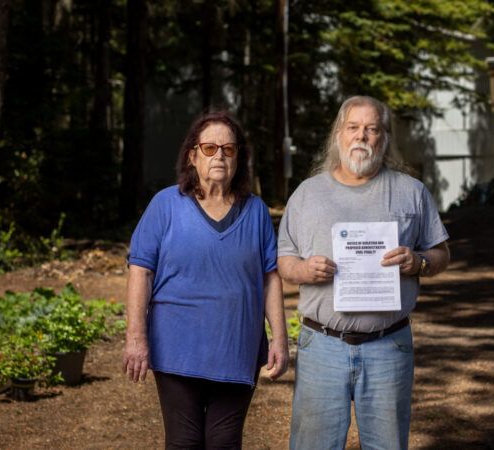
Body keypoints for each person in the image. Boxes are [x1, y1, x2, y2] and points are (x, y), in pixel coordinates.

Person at [278, 96, 450, 450]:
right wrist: (304, 270)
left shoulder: (411, 192)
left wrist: (418, 262)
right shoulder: (307, 194)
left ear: (384, 137)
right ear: (338, 135)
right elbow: (284, 260)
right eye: (353, 127)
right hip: (322, 345)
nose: (362, 136)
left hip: (389, 346)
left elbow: (441, 254)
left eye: (372, 129)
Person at [122, 110, 289, 449]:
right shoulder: (165, 205)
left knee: (224, 441)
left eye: (228, 149)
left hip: (236, 348)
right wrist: (136, 337)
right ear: (192, 156)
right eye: (210, 148)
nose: (219, 156)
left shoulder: (256, 211)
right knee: (184, 442)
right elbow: (140, 271)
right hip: (175, 349)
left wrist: (280, 338)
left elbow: (269, 277)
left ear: (238, 158)